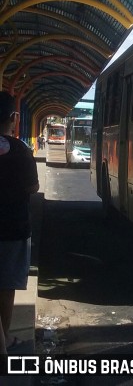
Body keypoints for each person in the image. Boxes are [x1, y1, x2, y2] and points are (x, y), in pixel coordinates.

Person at [0, 92, 40, 355]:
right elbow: (33, 187)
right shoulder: (21, 150)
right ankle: (4, 338)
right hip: (13, 229)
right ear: (13, 119)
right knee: (6, 286)